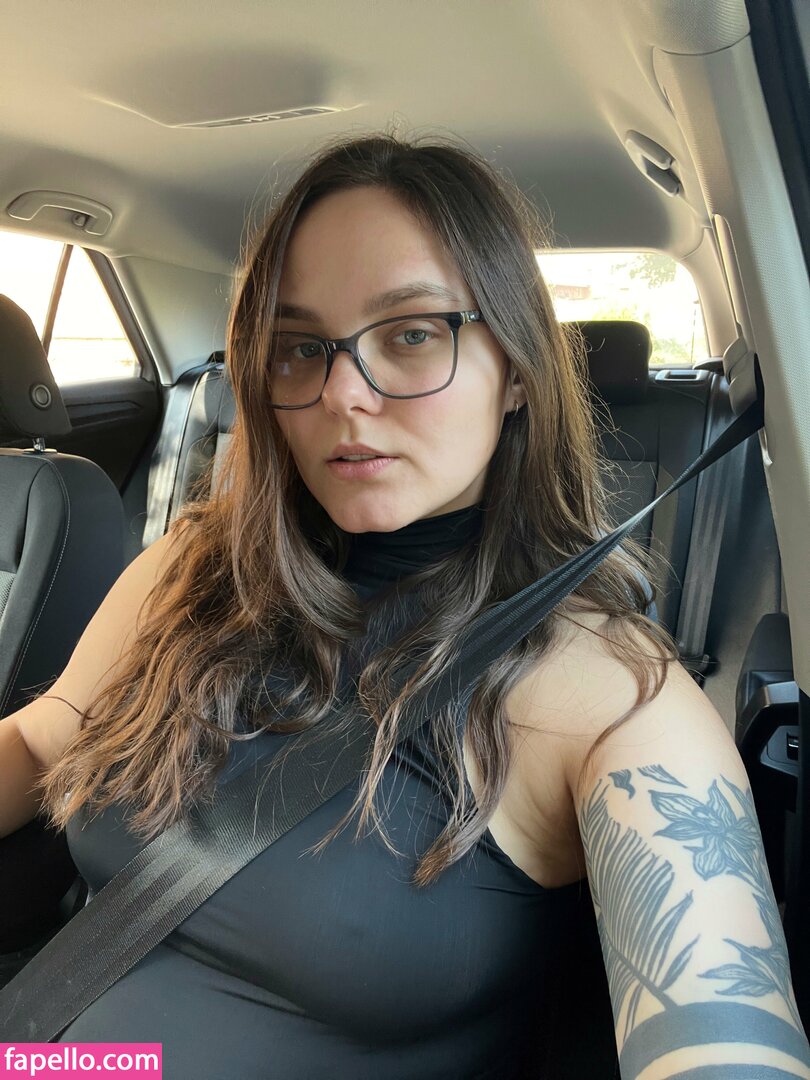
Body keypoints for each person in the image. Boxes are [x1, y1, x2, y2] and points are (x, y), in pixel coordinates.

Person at [1, 131, 808, 1079]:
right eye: (301, 348)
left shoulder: (611, 697)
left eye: (413, 333)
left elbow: (721, 1036)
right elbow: (42, 743)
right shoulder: (192, 569)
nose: (343, 392)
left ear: (517, 370)